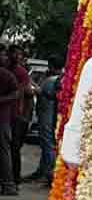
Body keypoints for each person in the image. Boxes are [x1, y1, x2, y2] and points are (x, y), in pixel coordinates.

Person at [24, 56, 61, 186]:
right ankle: (43, 170)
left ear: (51, 66)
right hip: (47, 115)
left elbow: (42, 92)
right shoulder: (56, 78)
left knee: (48, 144)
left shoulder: (53, 80)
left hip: (47, 115)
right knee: (46, 143)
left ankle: (48, 172)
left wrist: (31, 84)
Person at [8, 45, 35, 189]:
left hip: (18, 115)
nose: (18, 57)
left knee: (14, 148)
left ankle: (15, 179)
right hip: (11, 114)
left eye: (20, 54)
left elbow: (26, 93)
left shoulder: (21, 72)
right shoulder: (11, 70)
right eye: (16, 54)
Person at [0, 46, 21, 195]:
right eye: (2, 55)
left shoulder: (7, 75)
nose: (5, 58)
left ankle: (8, 184)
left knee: (4, 151)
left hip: (3, 118)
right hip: (5, 119)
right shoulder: (7, 74)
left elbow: (17, 93)